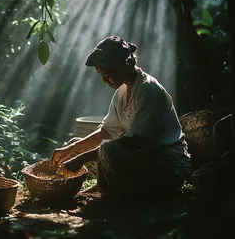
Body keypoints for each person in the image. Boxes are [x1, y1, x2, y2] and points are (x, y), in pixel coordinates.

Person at [51, 35, 192, 198]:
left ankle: (122, 196)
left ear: (123, 66)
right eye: (101, 76)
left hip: (168, 164)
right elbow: (106, 131)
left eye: (107, 74)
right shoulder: (122, 91)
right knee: (78, 145)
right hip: (143, 159)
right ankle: (110, 188)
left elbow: (135, 142)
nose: (104, 80)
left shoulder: (149, 90)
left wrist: (81, 159)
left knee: (107, 150)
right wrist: (71, 150)